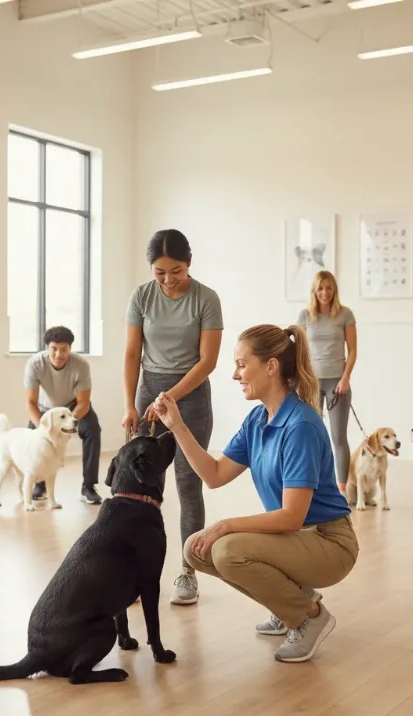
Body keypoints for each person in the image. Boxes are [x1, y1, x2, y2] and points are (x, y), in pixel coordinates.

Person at [153, 324, 357, 663]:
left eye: (242, 364)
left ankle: (309, 616)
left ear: (271, 366)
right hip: (297, 538)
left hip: (329, 543)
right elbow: (214, 475)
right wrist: (177, 426)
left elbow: (292, 516)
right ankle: (289, 602)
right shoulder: (258, 419)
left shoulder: (300, 426)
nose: (235, 374)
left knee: (228, 550)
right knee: (196, 549)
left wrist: (226, 524)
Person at [122, 229, 223, 605]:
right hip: (148, 391)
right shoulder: (141, 296)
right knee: (136, 487)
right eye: (160, 272)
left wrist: (171, 397)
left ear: (189, 263)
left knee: (186, 484)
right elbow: (132, 354)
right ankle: (131, 571)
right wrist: (131, 404)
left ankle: (187, 570)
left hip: (191, 396)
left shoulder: (206, 299)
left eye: (176, 271)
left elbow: (208, 361)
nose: (168, 280)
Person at [24, 325, 102, 505]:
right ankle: (40, 483)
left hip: (72, 407)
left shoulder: (81, 365)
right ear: (47, 348)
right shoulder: (35, 364)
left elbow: (84, 402)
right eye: (54, 349)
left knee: (93, 430)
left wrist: (67, 425)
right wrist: (44, 429)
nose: (59, 354)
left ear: (70, 348)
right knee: (34, 439)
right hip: (45, 410)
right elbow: (30, 403)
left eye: (64, 349)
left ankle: (88, 486)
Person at [297, 270, 356, 494]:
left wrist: (345, 378)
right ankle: (313, 486)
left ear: (334, 290)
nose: (325, 292)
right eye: (320, 288)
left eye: (329, 288)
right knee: (311, 435)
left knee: (338, 437)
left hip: (337, 383)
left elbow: (352, 351)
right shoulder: (304, 316)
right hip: (311, 382)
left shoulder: (344, 315)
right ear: (315, 290)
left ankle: (341, 490)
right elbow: (299, 351)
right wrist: (301, 379)